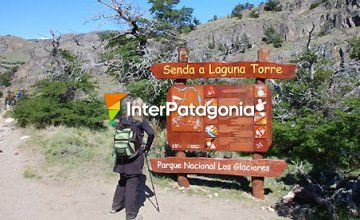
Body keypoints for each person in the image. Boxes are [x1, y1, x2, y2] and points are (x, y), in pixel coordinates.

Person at [110, 97, 155, 220]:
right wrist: (146, 147)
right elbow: (151, 133)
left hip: (121, 156)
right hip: (134, 158)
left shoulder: (123, 119)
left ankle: (115, 207)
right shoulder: (141, 121)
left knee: (122, 181)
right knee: (132, 185)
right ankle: (131, 216)